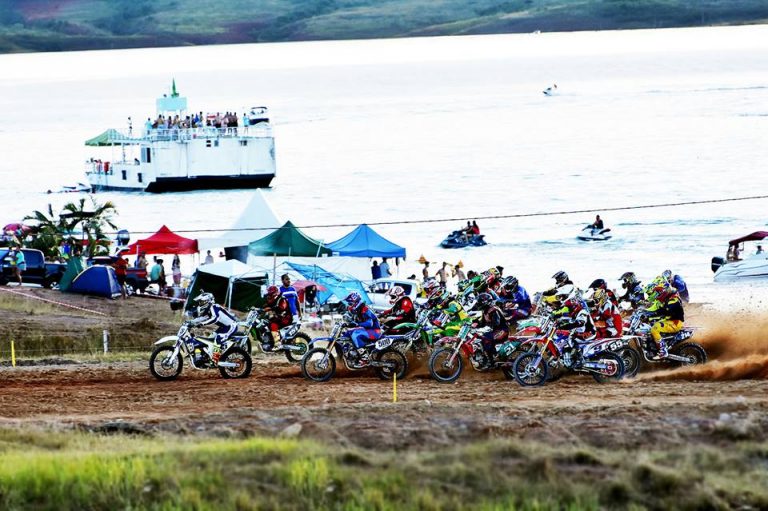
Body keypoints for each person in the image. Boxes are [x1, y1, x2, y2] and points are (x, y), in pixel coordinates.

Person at [189, 292, 239, 363]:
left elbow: (215, 318)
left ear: (208, 301)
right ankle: (208, 356)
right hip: (223, 327)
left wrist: (202, 324)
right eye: (200, 302)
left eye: (201, 302)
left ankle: (216, 358)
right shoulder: (209, 309)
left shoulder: (214, 307)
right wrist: (191, 322)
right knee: (210, 339)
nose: (200, 304)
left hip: (231, 326)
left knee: (218, 339)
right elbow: (203, 318)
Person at [645, 286, 684, 359]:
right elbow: (661, 311)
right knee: (651, 326)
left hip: (675, 323)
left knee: (655, 329)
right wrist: (647, 313)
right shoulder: (669, 301)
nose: (661, 295)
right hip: (670, 321)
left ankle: (663, 351)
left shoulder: (673, 301)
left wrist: (650, 317)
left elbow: (665, 314)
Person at [343, 292, 382, 363]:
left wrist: (356, 324)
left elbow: (369, 323)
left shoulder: (365, 309)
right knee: (346, 333)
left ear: (356, 302)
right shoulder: (357, 310)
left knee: (355, 334)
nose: (349, 306)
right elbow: (351, 319)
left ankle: (364, 356)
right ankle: (348, 353)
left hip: (375, 331)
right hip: (367, 330)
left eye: (350, 303)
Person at [474, 292, 509, 362]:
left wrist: (486, 328)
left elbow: (496, 323)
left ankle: (492, 359)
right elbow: (482, 323)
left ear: (485, 302)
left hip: (502, 330)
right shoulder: (485, 311)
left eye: (479, 302)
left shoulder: (494, 310)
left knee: (486, 338)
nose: (478, 304)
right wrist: (475, 325)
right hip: (495, 331)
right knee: (479, 337)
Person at [262, 285, 293, 349]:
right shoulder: (274, 300)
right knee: (266, 323)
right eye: (269, 294)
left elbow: (281, 308)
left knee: (273, 325)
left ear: (274, 294)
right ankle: (269, 341)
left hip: (286, 318)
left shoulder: (282, 299)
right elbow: (267, 305)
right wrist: (259, 309)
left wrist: (270, 308)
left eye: (270, 294)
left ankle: (277, 343)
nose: (269, 296)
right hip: (280, 317)